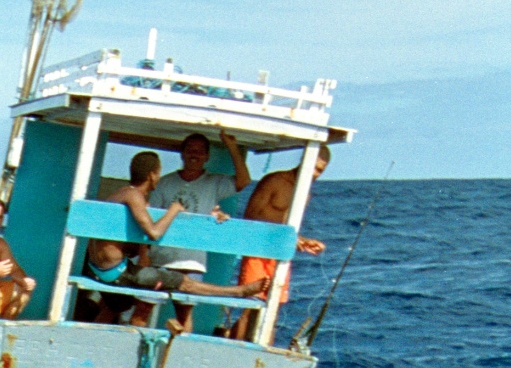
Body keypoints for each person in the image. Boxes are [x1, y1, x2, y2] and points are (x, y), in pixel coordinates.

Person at [84, 152, 267, 329]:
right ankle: (239, 291)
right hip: (117, 272)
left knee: (118, 305)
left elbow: (127, 244)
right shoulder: (134, 196)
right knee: (184, 283)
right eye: (158, 172)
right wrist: (174, 209)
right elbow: (154, 233)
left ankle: (91, 337)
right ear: (152, 175)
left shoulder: (121, 194)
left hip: (101, 268)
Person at [231, 144, 329, 340]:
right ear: (305, 161)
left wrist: (302, 241)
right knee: (250, 307)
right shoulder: (274, 181)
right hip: (258, 251)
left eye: (320, 171)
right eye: (314, 168)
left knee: (272, 311)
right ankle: (235, 347)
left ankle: (263, 352)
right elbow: (250, 217)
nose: (315, 174)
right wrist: (283, 237)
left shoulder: (305, 193)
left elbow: (288, 228)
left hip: (279, 255)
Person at [149, 130, 251, 288]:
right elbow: (151, 219)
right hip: (162, 258)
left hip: (193, 260)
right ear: (182, 154)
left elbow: (244, 181)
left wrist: (231, 146)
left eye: (200, 151)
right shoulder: (164, 182)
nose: (194, 155)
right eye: (190, 150)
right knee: (144, 307)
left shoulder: (214, 183)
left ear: (207, 156)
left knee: (185, 311)